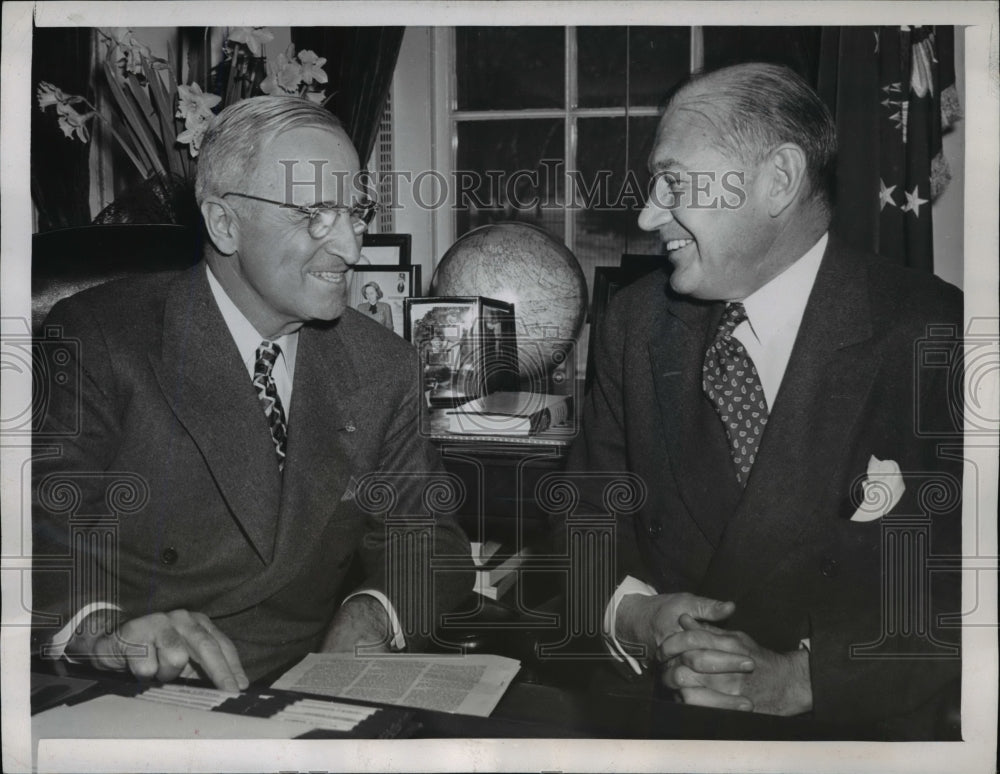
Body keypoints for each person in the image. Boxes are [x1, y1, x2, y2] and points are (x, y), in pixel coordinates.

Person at [565, 63, 962, 738]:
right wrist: (638, 619)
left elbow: (966, 586)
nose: (647, 213)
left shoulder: (934, 332)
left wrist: (800, 680)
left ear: (777, 180)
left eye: (673, 183)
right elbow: (583, 528)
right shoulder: (633, 326)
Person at [32, 96, 473, 690]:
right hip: (140, 692)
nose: (350, 247)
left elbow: (428, 541)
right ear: (224, 223)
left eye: (354, 211)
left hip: (307, 690)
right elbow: (35, 530)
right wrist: (105, 633)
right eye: (315, 212)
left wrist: (373, 614)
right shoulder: (101, 337)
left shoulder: (383, 365)